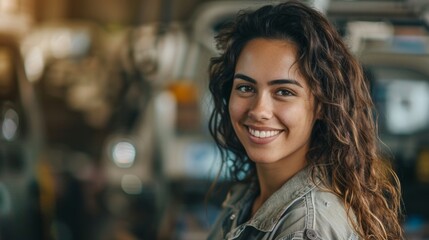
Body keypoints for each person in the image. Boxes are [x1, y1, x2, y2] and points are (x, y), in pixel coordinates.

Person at [207, 1, 404, 239]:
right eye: (246, 87)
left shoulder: (305, 228)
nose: (259, 110)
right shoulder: (251, 194)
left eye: (284, 92)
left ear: (321, 105)